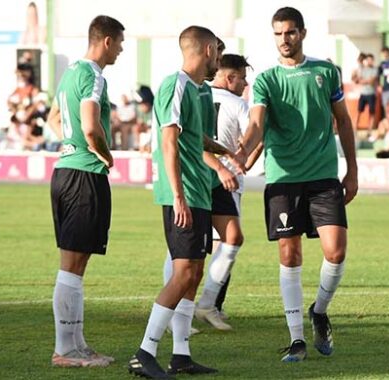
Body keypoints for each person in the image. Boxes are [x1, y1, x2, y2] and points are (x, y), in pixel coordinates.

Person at [238, 7, 358, 362]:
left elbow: (344, 122)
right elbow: (257, 124)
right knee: (289, 255)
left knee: (335, 252)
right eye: (278, 34)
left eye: (290, 33)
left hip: (323, 176)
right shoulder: (266, 80)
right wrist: (240, 152)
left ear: (302, 33)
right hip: (283, 179)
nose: (284, 40)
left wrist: (352, 170)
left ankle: (319, 310)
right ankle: (296, 340)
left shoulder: (325, 72)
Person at [127, 26, 243, 379]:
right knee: (182, 274)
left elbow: (195, 138)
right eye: (218, 56)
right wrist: (177, 194)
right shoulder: (174, 84)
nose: (219, 63)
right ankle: (144, 352)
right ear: (207, 50)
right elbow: (169, 143)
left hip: (199, 191)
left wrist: (223, 151)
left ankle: (181, 355)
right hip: (185, 194)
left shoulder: (200, 90)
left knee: (191, 274)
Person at [45, 15, 124, 368]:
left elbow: (52, 119)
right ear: (106, 40)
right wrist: (105, 157)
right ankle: (65, 350)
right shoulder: (93, 74)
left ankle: (77, 345)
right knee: (72, 265)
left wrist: (71, 143)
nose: (121, 49)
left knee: (76, 264)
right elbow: (91, 127)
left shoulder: (69, 73)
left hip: (65, 171)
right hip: (83, 175)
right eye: (120, 42)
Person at [192, 53, 261, 330]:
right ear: (229, 77)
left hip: (196, 176)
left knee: (191, 245)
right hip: (224, 180)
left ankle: (194, 308)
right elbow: (256, 137)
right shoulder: (238, 104)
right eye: (243, 78)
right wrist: (243, 164)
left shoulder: (198, 94)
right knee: (226, 243)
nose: (245, 84)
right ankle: (210, 305)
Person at [354, 53, 378, 133]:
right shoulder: (363, 69)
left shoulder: (375, 69)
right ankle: (355, 129)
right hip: (363, 93)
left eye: (371, 60)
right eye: (368, 60)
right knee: (359, 111)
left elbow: (372, 81)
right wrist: (365, 81)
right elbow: (357, 80)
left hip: (371, 93)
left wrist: (364, 81)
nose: (369, 61)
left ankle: (369, 130)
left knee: (371, 112)